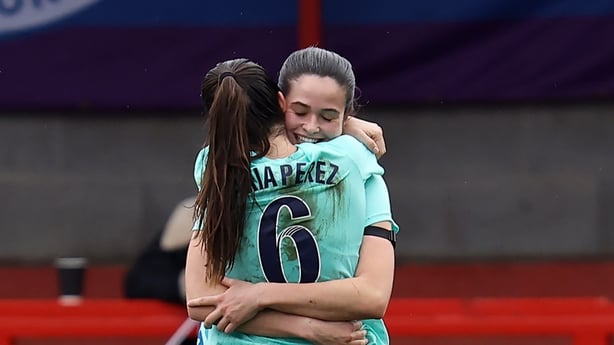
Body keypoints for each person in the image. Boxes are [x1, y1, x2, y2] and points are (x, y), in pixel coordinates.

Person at [185, 51, 397, 344]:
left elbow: (201, 298)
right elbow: (372, 296)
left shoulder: (218, 166)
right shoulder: (358, 161)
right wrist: (308, 328)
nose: (311, 127)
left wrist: (260, 294)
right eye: (300, 112)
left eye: (327, 115)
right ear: (280, 103)